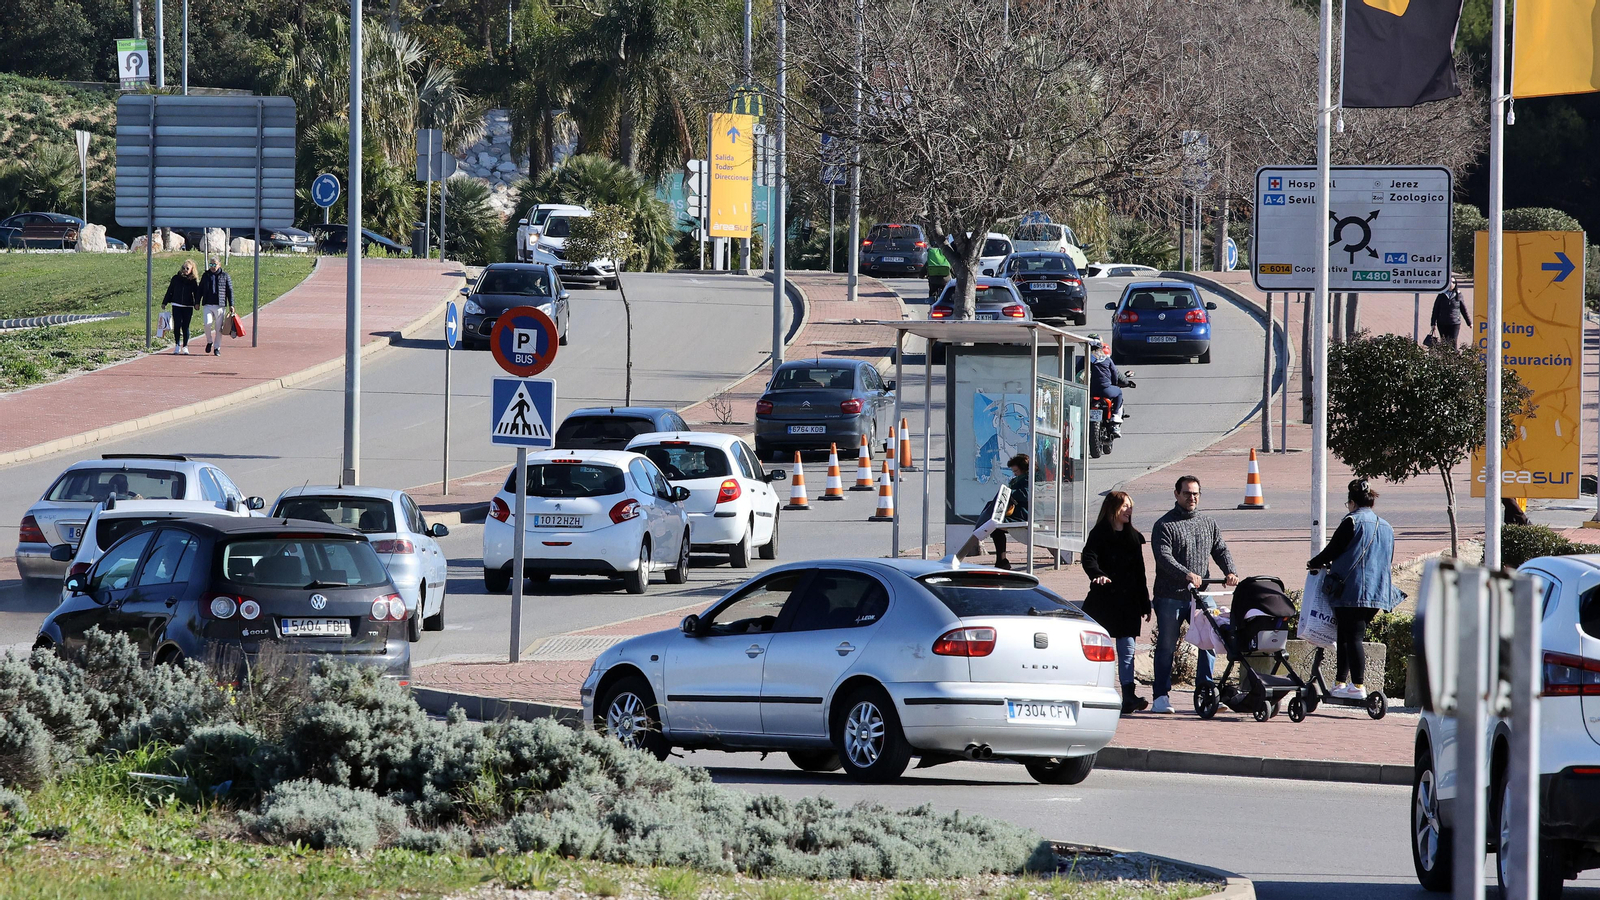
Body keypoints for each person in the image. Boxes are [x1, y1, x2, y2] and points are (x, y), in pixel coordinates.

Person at [1150, 474, 1238, 714]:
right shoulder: (1164, 525)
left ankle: (1206, 693)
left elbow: (1220, 548)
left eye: (1196, 493)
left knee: (1210, 641)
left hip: (1201, 595)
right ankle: (1160, 696)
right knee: (1167, 646)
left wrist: (1230, 570)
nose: (1192, 497)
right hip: (1170, 596)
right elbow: (1164, 557)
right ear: (1176, 494)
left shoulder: (1208, 523)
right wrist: (1186, 574)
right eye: (1187, 493)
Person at [1308, 479, 1400, 699]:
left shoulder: (1352, 521)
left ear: (1352, 502)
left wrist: (1314, 563)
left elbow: (1332, 550)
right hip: (1378, 592)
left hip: (1352, 591)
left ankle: (1358, 685)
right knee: (1346, 635)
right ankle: (1340, 683)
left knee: (1353, 637)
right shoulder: (1386, 526)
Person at [1080, 491, 1152, 715]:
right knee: (1098, 649)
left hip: (1128, 601)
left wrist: (1145, 602)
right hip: (1104, 598)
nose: (1129, 510)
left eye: (1131, 506)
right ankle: (1094, 693)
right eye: (1125, 506)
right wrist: (1097, 574)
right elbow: (1088, 556)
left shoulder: (1132, 537)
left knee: (1127, 651)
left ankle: (1128, 696)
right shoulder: (1100, 532)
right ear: (1113, 509)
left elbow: (1140, 572)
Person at [956, 454, 1030, 569]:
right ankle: (1001, 561)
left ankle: (1002, 561)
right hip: (1017, 512)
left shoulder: (1028, 479)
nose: (1014, 473)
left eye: (1016, 470)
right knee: (995, 526)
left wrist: (1009, 492)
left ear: (1023, 468)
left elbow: (1026, 494)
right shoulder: (1018, 479)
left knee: (995, 524)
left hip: (1023, 514)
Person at [1087, 336, 1134, 433]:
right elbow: (1115, 375)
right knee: (1119, 392)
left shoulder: (1086, 359)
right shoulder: (1107, 360)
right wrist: (1115, 384)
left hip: (1090, 390)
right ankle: (1115, 416)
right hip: (1105, 389)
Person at [161, 259, 202, 355]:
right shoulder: (176, 278)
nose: (185, 270)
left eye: (187, 268)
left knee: (185, 326)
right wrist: (165, 302)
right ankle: (177, 345)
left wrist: (197, 303)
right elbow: (170, 290)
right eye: (183, 268)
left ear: (192, 269)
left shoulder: (193, 281)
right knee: (177, 325)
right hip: (176, 304)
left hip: (188, 305)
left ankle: (185, 346)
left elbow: (196, 293)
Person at [198, 256, 234, 357]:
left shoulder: (225, 276)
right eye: (211, 264)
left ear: (219, 265)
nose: (213, 267)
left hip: (220, 305)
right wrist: (197, 301)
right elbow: (200, 289)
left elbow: (229, 291)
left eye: (215, 264)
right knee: (207, 323)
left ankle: (217, 348)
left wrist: (232, 304)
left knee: (219, 329)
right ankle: (209, 341)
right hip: (208, 304)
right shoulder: (206, 275)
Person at [1429, 276, 1470, 347]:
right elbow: (1435, 309)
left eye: (1453, 282)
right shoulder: (1441, 295)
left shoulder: (1458, 294)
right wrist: (1433, 323)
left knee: (1453, 342)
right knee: (1444, 342)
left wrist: (1469, 323)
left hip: (1455, 323)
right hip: (1442, 323)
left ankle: (1454, 357)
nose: (1451, 284)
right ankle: (1445, 358)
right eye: (1450, 282)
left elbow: (1463, 309)